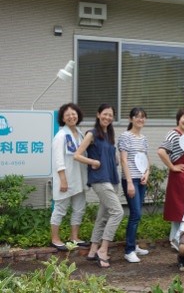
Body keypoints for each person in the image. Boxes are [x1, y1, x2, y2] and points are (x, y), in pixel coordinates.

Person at [74, 103, 124, 268]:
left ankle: (92, 250)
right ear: (98, 115)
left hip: (112, 179)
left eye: (111, 115)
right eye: (105, 114)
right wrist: (93, 161)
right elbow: (77, 155)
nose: (108, 117)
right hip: (100, 179)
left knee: (102, 217)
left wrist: (114, 158)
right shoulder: (92, 133)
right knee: (117, 212)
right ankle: (103, 249)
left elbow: (111, 155)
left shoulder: (108, 135)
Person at [158, 107, 184, 250]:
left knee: (182, 208)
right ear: (179, 118)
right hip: (180, 176)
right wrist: (172, 166)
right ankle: (178, 239)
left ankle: (174, 238)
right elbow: (161, 151)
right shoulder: (173, 134)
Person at [50, 103, 89, 251]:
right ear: (63, 119)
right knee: (60, 209)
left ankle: (74, 237)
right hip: (65, 180)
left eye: (74, 114)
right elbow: (58, 160)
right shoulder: (60, 136)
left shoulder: (80, 133)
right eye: (67, 115)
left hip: (79, 178)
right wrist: (63, 180)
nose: (71, 117)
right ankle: (55, 238)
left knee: (79, 209)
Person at [118, 107, 150, 263]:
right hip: (130, 180)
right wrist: (130, 182)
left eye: (143, 117)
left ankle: (133, 245)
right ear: (130, 119)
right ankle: (129, 250)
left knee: (136, 214)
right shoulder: (125, 136)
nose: (140, 119)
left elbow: (145, 159)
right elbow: (124, 160)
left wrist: (147, 174)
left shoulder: (143, 138)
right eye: (137, 117)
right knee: (135, 213)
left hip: (141, 179)